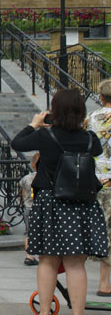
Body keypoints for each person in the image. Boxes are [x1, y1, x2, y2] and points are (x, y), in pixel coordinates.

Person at [11, 89, 108, 315]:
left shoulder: (46, 136)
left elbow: (18, 143)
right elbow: (97, 149)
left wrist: (34, 124)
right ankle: (78, 312)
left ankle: (45, 311)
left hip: (51, 202)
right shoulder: (88, 138)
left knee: (48, 260)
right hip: (81, 203)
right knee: (76, 263)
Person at [87, 79, 111, 295]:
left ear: (101, 97)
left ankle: (102, 282)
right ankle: (105, 282)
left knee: (101, 229)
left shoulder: (92, 117)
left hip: (96, 180)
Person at [20, 153, 40, 266]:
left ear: (32, 165)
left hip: (28, 207)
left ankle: (29, 256)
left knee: (29, 232)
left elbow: (23, 193)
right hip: (38, 209)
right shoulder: (45, 178)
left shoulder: (27, 178)